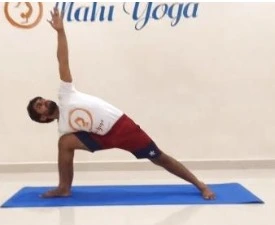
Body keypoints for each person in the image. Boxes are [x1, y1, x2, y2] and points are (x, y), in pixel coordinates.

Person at [27, 7, 215, 200]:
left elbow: (63, 60)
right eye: (40, 106)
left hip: (122, 127)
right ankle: (64, 187)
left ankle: (200, 185)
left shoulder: (65, 94)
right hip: (101, 137)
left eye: (42, 100)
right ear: (43, 118)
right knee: (64, 143)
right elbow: (75, 135)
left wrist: (60, 31)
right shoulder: (64, 128)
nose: (45, 102)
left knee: (159, 157)